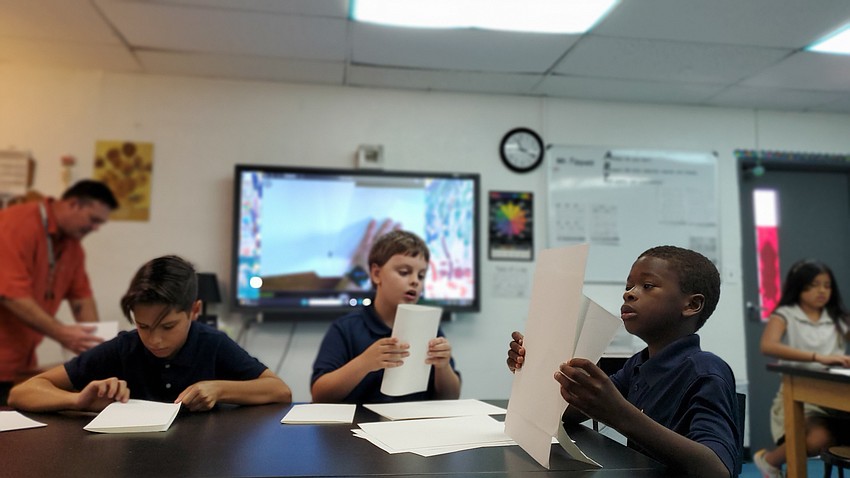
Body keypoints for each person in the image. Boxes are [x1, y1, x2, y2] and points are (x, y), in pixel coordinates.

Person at [507, 246, 742, 478]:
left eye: (647, 286)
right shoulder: (639, 364)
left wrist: (620, 415)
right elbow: (572, 413)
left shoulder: (707, 372)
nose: (628, 293)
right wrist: (533, 366)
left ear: (691, 305)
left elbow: (718, 469)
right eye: (629, 286)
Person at [8, 255, 292, 412]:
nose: (154, 340)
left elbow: (280, 391)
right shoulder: (125, 348)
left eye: (168, 327)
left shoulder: (212, 343)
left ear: (194, 310)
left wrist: (218, 388)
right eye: (143, 326)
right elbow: (22, 393)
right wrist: (78, 399)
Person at [0, 179, 118, 406]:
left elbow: (81, 300)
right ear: (74, 204)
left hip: (20, 365)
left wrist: (98, 352)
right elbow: (10, 295)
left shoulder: (73, 247)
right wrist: (62, 333)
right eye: (93, 220)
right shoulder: (15, 225)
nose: (95, 229)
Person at [311, 230, 461, 403]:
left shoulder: (430, 328)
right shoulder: (346, 328)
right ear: (376, 274)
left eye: (421, 275)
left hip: (414, 424)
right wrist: (364, 363)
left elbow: (451, 397)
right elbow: (319, 395)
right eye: (404, 272)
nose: (415, 281)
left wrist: (443, 366)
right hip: (357, 426)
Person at [753, 259, 850, 478]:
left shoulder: (836, 318)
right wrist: (819, 357)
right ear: (799, 286)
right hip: (801, 397)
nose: (822, 291)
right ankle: (769, 461)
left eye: (827, 285)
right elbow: (768, 346)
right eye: (814, 285)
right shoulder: (785, 315)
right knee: (818, 439)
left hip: (837, 395)